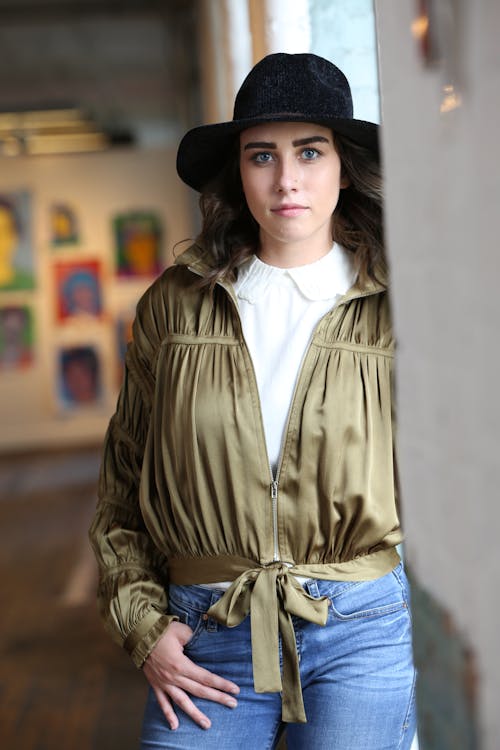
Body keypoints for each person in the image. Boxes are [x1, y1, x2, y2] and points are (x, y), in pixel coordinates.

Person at [89, 53, 417, 749]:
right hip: (209, 629)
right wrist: (142, 625)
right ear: (238, 172)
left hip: (359, 628)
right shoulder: (175, 307)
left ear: (344, 165)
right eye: (261, 155)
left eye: (310, 151)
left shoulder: (402, 303)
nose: (286, 179)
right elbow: (123, 482)